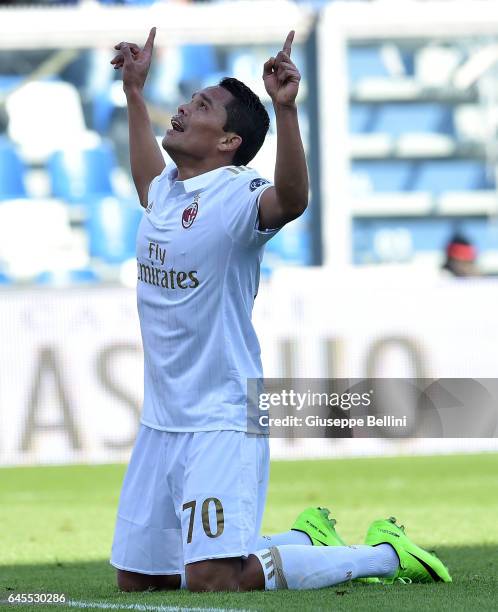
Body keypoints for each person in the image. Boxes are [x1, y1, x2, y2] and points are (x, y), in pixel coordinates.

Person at [109, 27, 452, 592]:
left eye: (201, 108)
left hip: (221, 418)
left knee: (214, 580)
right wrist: (134, 93)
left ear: (227, 144)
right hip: (161, 420)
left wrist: (284, 110)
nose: (183, 110)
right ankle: (305, 539)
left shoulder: (238, 196)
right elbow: (147, 180)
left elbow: (292, 200)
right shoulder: (169, 189)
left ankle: (384, 555)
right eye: (190, 100)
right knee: (140, 580)